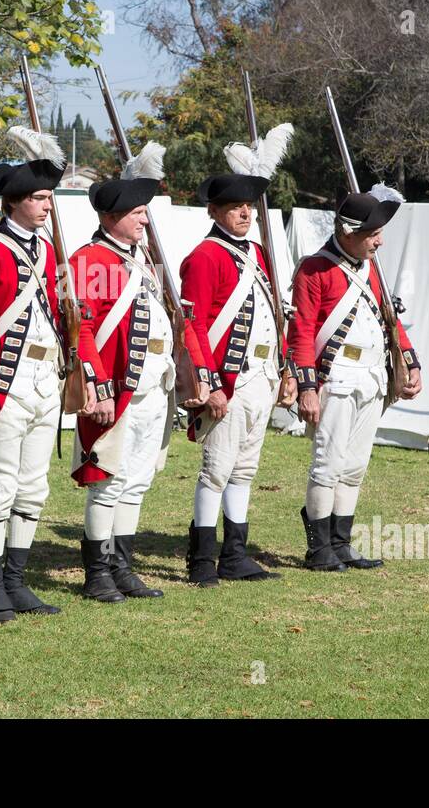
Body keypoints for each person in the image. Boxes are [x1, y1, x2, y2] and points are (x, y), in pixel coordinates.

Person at [69, 176, 212, 602]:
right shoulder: (93, 261)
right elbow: (84, 330)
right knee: (108, 480)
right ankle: (97, 574)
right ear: (110, 217)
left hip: (155, 387)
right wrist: (96, 386)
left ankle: (122, 567)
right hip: (118, 388)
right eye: (137, 213)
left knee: (136, 481)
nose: (145, 220)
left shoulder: (143, 259)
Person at [288, 185, 422, 572]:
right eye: (372, 234)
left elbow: (389, 322)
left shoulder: (370, 269)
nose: (379, 241)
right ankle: (318, 548)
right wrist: (308, 389)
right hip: (337, 378)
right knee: (327, 465)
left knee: (354, 466)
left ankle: (341, 543)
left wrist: (412, 363)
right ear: (349, 233)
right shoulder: (314, 269)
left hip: (371, 377)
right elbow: (301, 332)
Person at [0, 156, 67, 623]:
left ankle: (17, 582)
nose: (47, 206)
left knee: (34, 487)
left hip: (47, 382)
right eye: (40, 198)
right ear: (15, 202)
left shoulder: (46, 250)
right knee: (1, 487)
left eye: (48, 197)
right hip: (7, 382)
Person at [179, 171, 294, 586]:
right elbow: (193, 325)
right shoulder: (204, 256)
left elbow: (278, 316)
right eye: (234, 207)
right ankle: (202, 560)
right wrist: (208, 384)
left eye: (247, 206)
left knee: (244, 469)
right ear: (214, 211)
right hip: (229, 380)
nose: (245, 213)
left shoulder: (259, 254)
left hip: (263, 376)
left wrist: (286, 370)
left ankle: (235, 554)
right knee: (216, 471)